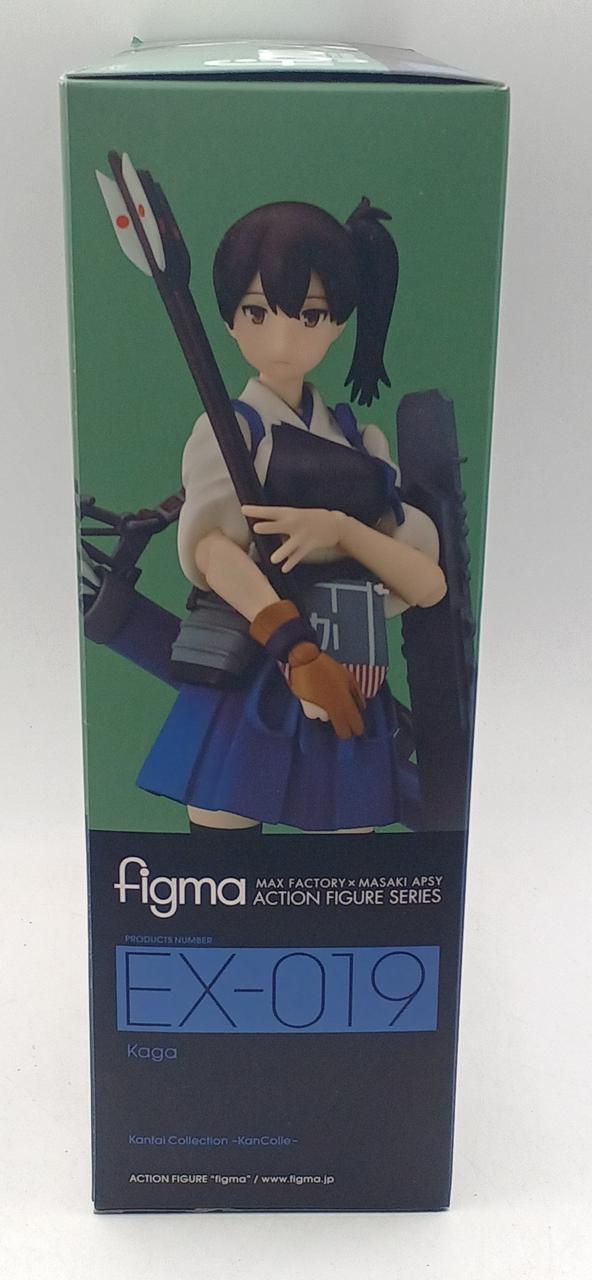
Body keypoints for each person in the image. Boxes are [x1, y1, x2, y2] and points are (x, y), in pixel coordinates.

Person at [137, 197, 446, 835]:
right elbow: (213, 553)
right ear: (229, 321)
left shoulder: (361, 441)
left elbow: (426, 584)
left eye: (309, 315)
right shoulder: (231, 431)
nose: (282, 340)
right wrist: (295, 649)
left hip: (349, 669)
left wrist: (341, 531)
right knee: (224, 828)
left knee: (345, 836)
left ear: (338, 324)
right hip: (258, 660)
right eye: (257, 312)